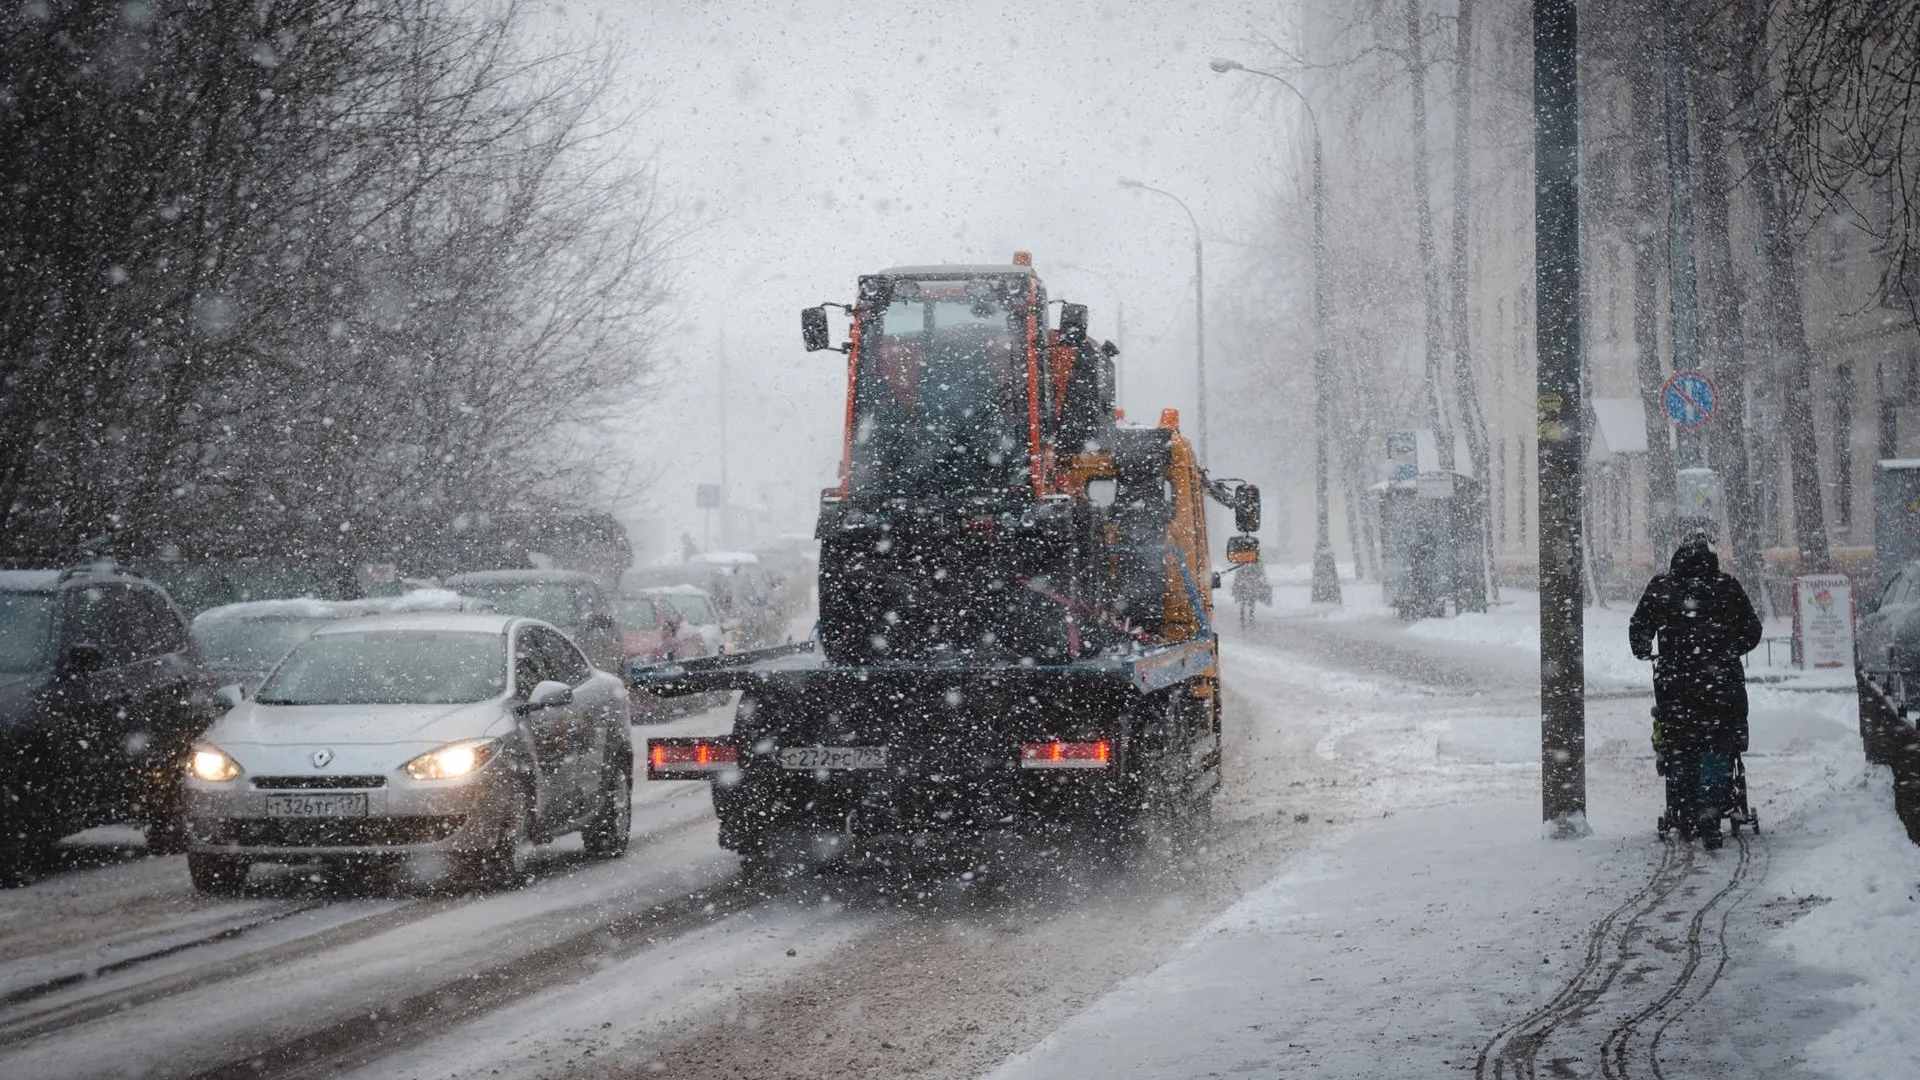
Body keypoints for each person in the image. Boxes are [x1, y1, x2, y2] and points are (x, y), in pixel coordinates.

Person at [1627, 533, 1763, 847]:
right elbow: (1753, 631)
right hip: (1721, 684)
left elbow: (1639, 628)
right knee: (1717, 742)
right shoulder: (1727, 587)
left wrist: (1647, 649)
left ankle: (1685, 805)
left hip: (1676, 685)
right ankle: (1711, 805)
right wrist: (1727, 651)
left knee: (1681, 744)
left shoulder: (1662, 588)